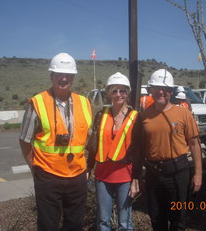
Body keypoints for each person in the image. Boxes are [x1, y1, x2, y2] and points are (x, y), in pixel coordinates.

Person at [19, 52, 92, 231]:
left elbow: (89, 138)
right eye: (59, 74)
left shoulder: (84, 103)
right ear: (51, 76)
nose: (64, 78)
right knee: (48, 225)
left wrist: (88, 168)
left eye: (68, 75)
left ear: (73, 77)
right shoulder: (37, 103)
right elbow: (25, 140)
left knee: (75, 224)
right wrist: (33, 167)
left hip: (77, 175)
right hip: (48, 176)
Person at [134, 69, 202, 231]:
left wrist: (198, 174)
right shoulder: (143, 117)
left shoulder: (184, 114)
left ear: (171, 91)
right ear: (151, 90)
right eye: (157, 87)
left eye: (166, 88)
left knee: (178, 220)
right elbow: (139, 149)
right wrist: (137, 176)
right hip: (153, 175)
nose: (161, 91)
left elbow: (194, 144)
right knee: (157, 219)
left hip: (178, 174)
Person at [86, 72, 141, 231]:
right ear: (109, 93)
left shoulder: (135, 117)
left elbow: (139, 151)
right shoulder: (100, 115)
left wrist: (136, 178)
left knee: (125, 223)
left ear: (127, 93)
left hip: (125, 176)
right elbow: (93, 146)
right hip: (102, 177)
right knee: (103, 221)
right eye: (114, 91)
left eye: (122, 90)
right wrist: (88, 168)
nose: (118, 94)